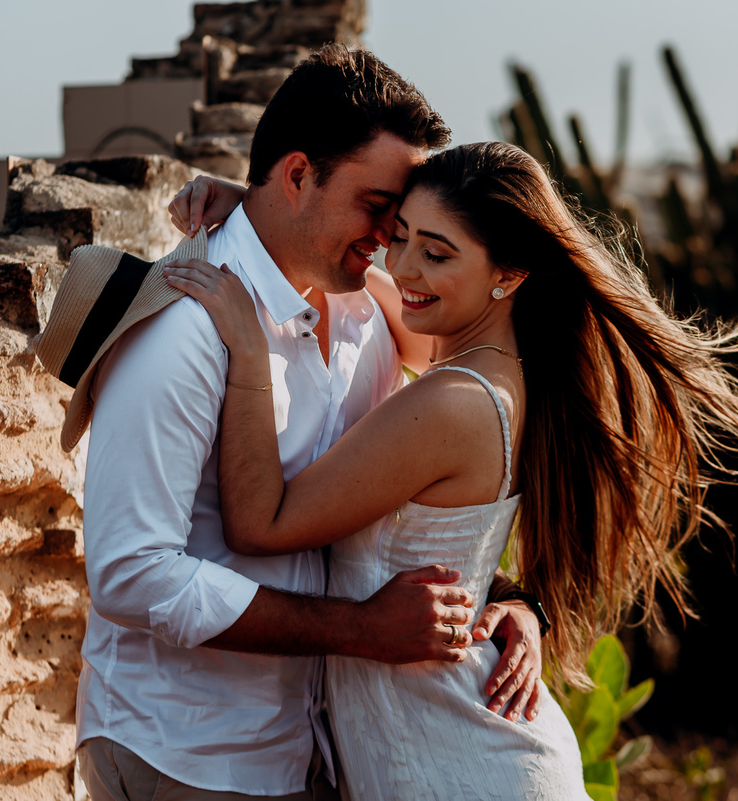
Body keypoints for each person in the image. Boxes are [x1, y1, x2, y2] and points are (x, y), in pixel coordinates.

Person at [162, 141, 738, 799]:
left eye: (437, 253)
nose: (406, 266)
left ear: (508, 274)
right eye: (400, 236)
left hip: (462, 762)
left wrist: (246, 348)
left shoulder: (453, 402)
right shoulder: (492, 366)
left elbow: (260, 522)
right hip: (452, 745)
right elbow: (381, 292)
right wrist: (263, 212)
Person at [74, 48, 544, 801]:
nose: (390, 235)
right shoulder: (186, 330)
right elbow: (131, 573)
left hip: (313, 752)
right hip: (187, 753)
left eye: (404, 216)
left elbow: (428, 476)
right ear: (297, 175)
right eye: (378, 206)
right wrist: (358, 628)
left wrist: (506, 598)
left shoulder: (370, 309)